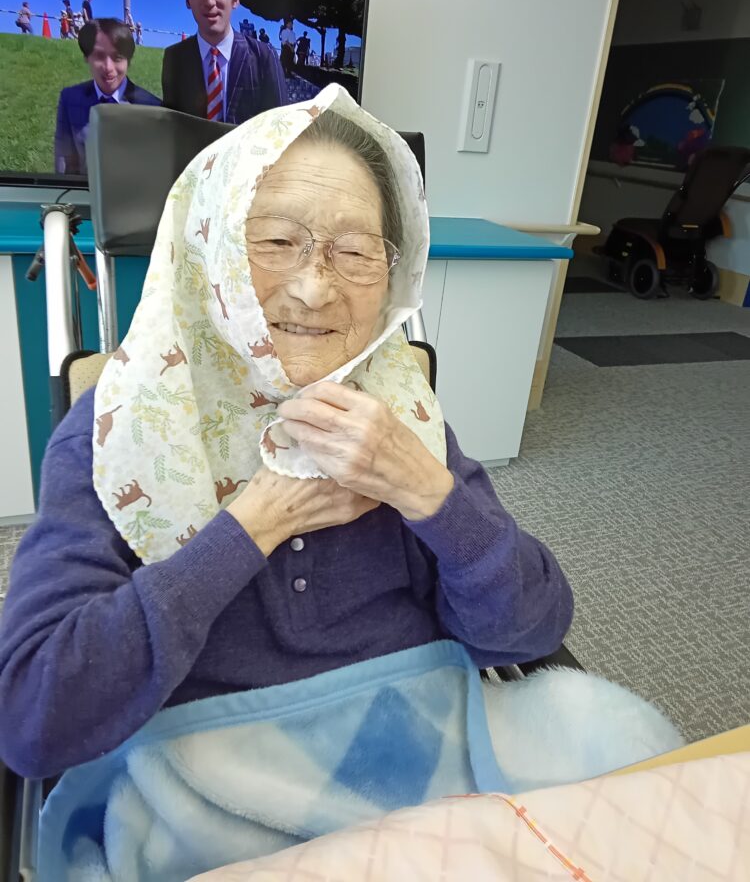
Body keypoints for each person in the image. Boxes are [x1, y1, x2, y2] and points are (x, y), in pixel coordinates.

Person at [0, 89, 680, 877]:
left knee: (625, 748)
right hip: (208, 776)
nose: (316, 289)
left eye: (356, 252)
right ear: (212, 250)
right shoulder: (121, 433)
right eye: (276, 241)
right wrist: (251, 526)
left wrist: (429, 495)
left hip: (420, 739)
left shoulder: (398, 413)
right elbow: (35, 718)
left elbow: (530, 631)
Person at [161, 0, 288, 124]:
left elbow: (280, 127)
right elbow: (172, 125)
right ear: (187, 1)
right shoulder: (174, 57)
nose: (209, 1)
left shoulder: (264, 56)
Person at [53, 17, 161, 176]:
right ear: (86, 57)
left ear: (128, 60)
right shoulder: (70, 99)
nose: (108, 68)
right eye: (99, 56)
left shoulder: (153, 108)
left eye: (117, 58)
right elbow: (63, 162)